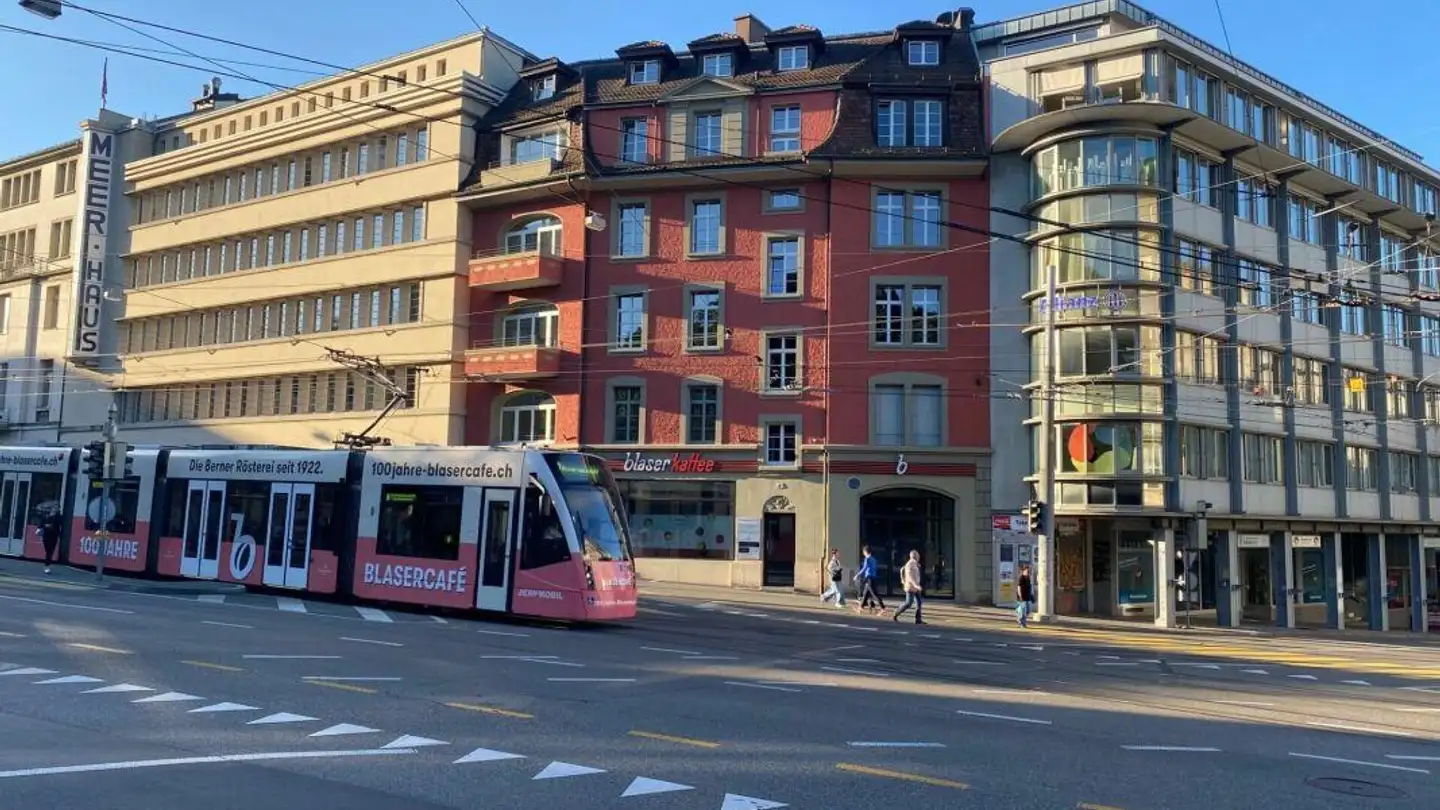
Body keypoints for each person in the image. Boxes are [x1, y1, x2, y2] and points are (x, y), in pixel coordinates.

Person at [892, 549, 925, 625]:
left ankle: (918, 619)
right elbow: (910, 578)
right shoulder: (910, 565)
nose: (919, 556)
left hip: (915, 587)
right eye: (918, 555)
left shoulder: (915, 564)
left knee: (919, 602)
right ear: (915, 556)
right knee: (908, 603)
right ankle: (896, 613)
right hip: (911, 587)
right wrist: (916, 585)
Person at [853, 546, 885, 613]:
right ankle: (861, 608)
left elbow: (864, 569)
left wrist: (857, 575)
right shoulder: (874, 559)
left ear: (865, 552)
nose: (863, 553)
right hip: (873, 577)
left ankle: (883, 608)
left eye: (863, 552)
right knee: (865, 593)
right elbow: (874, 569)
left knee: (875, 594)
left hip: (869, 578)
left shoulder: (867, 559)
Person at [39, 508, 63, 574]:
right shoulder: (45, 517)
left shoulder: (58, 518)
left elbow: (60, 525)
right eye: (53, 510)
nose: (54, 511)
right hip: (46, 536)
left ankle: (47, 566)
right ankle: (47, 565)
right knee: (48, 551)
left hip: (54, 537)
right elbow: (40, 525)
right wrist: (45, 526)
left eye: (56, 510)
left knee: (50, 552)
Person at [1016, 563, 1035, 628]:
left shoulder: (1028, 578)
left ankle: (1020, 618)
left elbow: (1029, 588)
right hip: (1022, 597)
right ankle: (1022, 623)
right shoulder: (1022, 577)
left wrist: (1032, 595)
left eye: (1029, 570)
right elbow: (1019, 587)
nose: (1029, 572)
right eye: (1027, 570)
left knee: (1028, 611)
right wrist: (1020, 596)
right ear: (1024, 571)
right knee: (1023, 612)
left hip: (1028, 597)